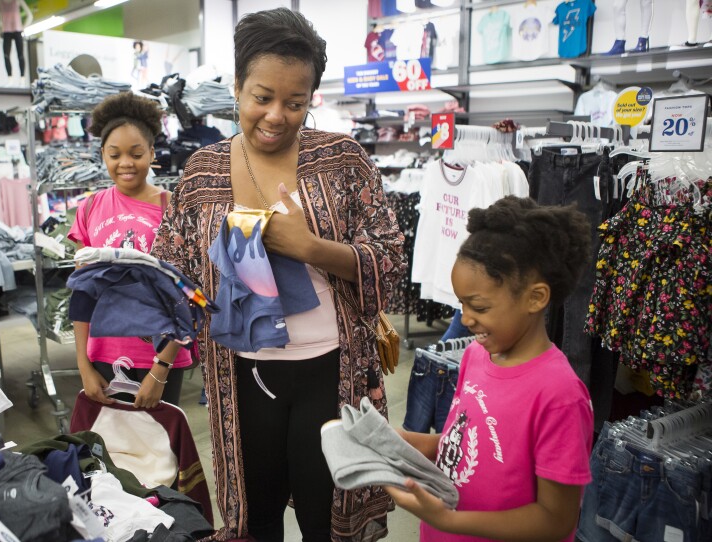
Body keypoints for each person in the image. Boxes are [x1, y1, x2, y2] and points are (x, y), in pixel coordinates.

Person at [151, 8, 404, 541]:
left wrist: (314, 248)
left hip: (330, 371)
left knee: (322, 514)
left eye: (296, 102)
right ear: (238, 86)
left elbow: (391, 257)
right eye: (262, 97)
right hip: (243, 375)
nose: (276, 116)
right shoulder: (201, 175)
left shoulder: (343, 160)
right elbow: (174, 270)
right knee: (257, 514)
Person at [386, 196, 595, 541]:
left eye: (478, 306)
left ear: (535, 297)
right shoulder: (476, 356)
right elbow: (467, 443)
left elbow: (556, 519)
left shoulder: (560, 395)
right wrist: (405, 443)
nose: (466, 319)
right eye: (462, 304)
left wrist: (450, 521)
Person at [68, 92, 192, 409]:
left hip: (157, 356)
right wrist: (83, 363)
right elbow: (82, 293)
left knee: (159, 450)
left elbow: (182, 295)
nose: (125, 163)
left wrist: (160, 370)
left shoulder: (172, 208)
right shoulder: (90, 207)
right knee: (112, 451)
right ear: (103, 155)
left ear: (152, 153)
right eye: (115, 154)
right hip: (102, 353)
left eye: (136, 154)